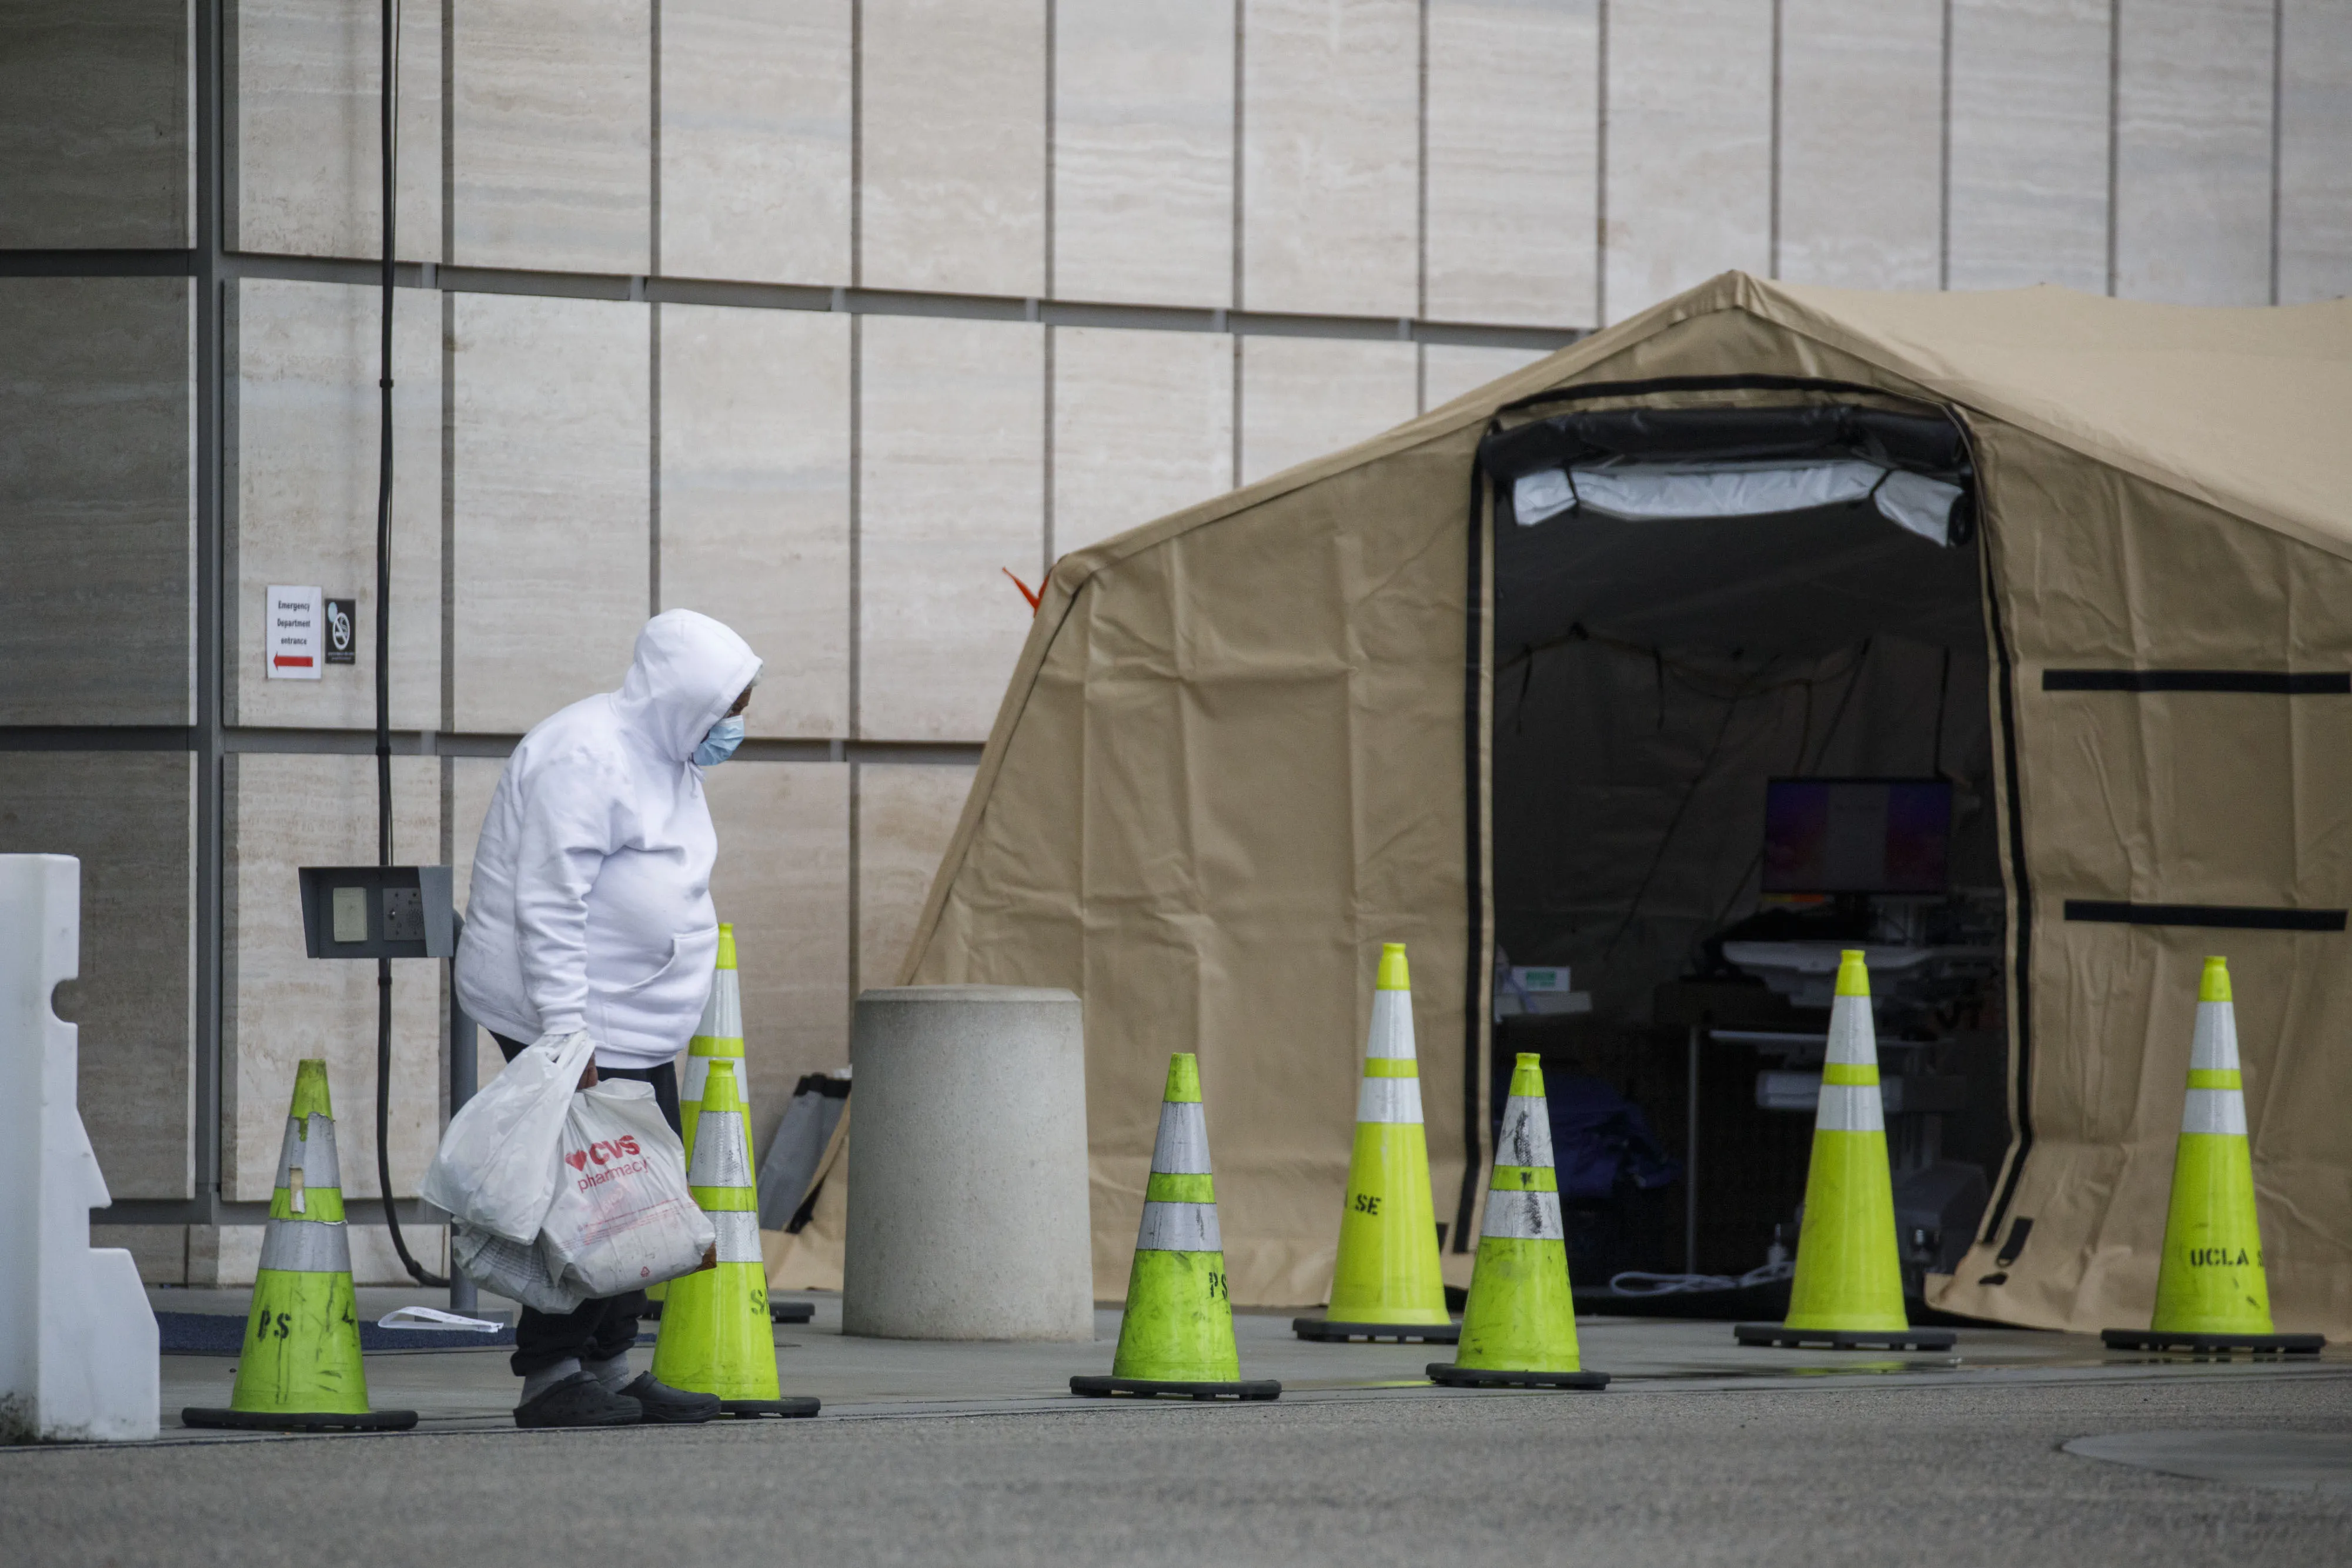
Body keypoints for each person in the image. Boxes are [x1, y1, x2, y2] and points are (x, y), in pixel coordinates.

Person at [455, 609, 761, 1428]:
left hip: (633, 1020)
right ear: (686, 697)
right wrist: (567, 1031)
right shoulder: (582, 755)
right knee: (591, 1192)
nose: (739, 723)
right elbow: (549, 902)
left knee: (642, 1188)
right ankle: (551, 1372)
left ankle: (611, 1363)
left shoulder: (669, 757)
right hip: (568, 1011)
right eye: (731, 704)